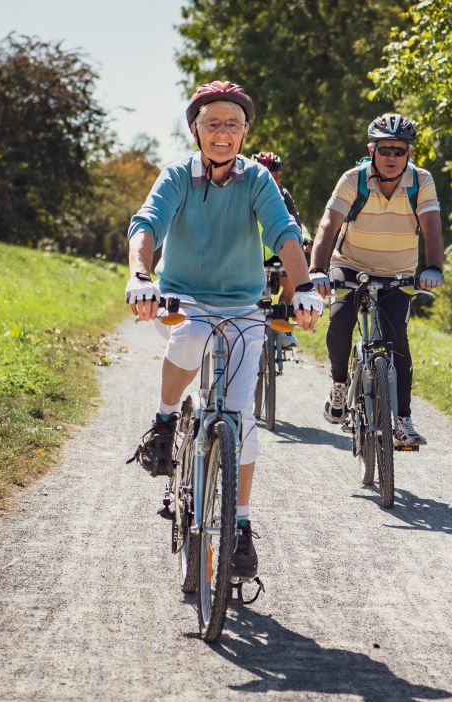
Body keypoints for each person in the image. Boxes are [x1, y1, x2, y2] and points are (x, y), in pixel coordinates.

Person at [125, 81, 325, 578]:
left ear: (244, 132)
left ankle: (239, 525)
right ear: (196, 130)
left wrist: (301, 288)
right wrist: (140, 277)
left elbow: (283, 233)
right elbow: (147, 223)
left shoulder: (258, 178)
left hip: (240, 306)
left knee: (242, 419)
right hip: (181, 297)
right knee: (190, 336)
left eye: (232, 125)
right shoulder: (176, 175)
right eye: (212, 123)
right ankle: (166, 419)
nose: (222, 133)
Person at [309, 113, 444, 447]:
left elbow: (431, 225)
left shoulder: (421, 181)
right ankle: (340, 385)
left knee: (397, 337)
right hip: (351, 264)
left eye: (399, 151)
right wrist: (317, 270)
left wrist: (434, 268)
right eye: (385, 150)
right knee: (340, 321)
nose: (392, 158)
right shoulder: (353, 179)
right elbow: (329, 225)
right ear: (372, 149)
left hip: (399, 271)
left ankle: (403, 420)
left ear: (409, 153)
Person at [251, 150, 313, 349]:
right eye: (267, 177)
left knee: (292, 283)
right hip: (249, 255)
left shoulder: (283, 194)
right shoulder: (243, 192)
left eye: (276, 178)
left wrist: (305, 239)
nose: (273, 183)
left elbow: (295, 222)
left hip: (276, 252)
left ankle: (283, 327)